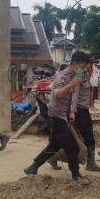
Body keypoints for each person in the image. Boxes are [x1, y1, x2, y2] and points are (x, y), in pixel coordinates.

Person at [24, 52, 90, 184]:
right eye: (82, 67)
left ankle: (33, 167)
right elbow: (57, 95)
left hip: (63, 115)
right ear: (75, 64)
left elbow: (74, 93)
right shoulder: (62, 77)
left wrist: (71, 111)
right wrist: (71, 85)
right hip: (56, 116)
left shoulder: (74, 75)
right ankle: (76, 174)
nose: (83, 70)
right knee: (73, 147)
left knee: (54, 145)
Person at [48, 56, 100, 172]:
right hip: (78, 111)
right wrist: (72, 111)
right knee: (71, 139)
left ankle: (91, 163)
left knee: (88, 137)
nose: (91, 66)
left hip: (84, 110)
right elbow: (75, 93)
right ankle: (53, 157)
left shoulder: (85, 74)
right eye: (90, 64)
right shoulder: (79, 74)